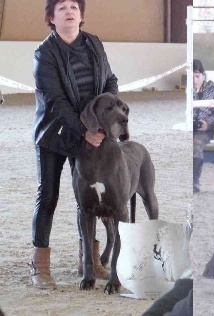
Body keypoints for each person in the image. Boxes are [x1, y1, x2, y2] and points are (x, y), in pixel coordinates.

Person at [31, 0, 118, 289]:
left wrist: (103, 122)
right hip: (54, 135)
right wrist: (84, 129)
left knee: (89, 200)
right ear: (51, 18)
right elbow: (55, 101)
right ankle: (40, 268)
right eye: (61, 7)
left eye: (74, 6)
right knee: (49, 197)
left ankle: (89, 262)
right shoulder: (44, 53)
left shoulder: (94, 43)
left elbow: (110, 82)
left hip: (91, 132)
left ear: (80, 15)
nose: (69, 11)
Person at [192, 59, 214, 194]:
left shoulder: (212, 91)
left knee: (195, 147)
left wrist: (208, 123)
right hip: (185, 128)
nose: (194, 80)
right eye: (191, 76)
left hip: (204, 130)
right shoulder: (183, 92)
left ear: (203, 76)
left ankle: (194, 181)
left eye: (197, 76)